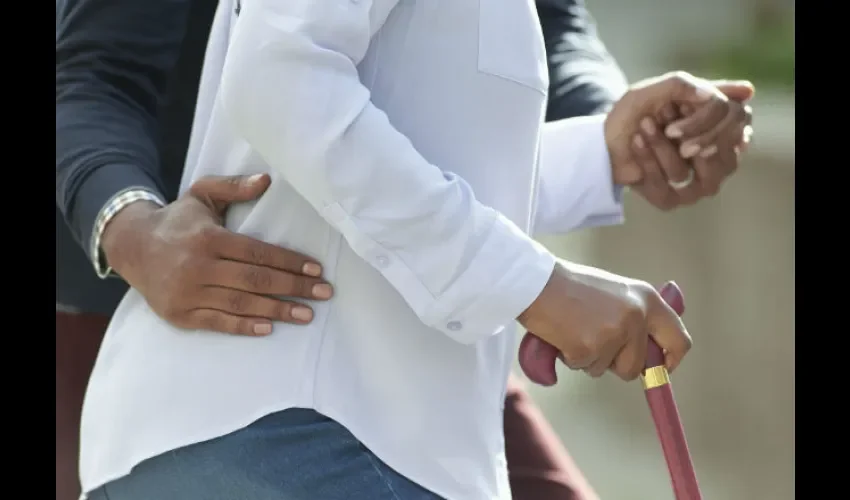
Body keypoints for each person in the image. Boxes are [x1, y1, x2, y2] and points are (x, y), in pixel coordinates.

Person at [72, 0, 753, 499]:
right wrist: (536, 288)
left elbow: (428, 162)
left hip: (365, 445)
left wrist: (610, 150)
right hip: (280, 433)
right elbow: (280, 76)